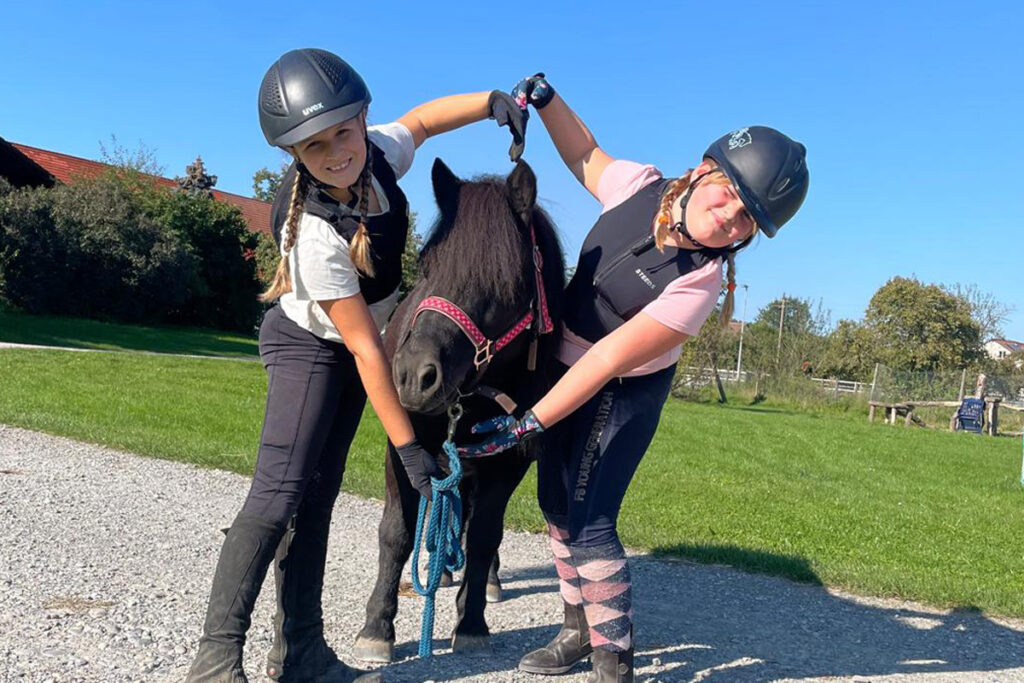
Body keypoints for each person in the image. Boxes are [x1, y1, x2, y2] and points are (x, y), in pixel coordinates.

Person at [185, 48, 527, 683]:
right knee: (277, 495)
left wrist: (489, 103)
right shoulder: (314, 234)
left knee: (317, 502)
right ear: (294, 156)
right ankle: (214, 659)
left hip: (351, 352)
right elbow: (369, 349)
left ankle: (302, 654)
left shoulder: (377, 159)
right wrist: (411, 452)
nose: (335, 152)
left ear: (362, 120)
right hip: (309, 347)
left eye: (343, 132)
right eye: (314, 147)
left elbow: (422, 121)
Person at [460, 74, 809, 683]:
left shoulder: (699, 286)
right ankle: (575, 630)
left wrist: (528, 423)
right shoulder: (640, 186)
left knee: (591, 520)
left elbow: (606, 360)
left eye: (747, 221)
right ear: (703, 171)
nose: (728, 218)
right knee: (553, 504)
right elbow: (585, 155)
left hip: (621, 390)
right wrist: (547, 101)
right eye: (727, 194)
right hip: (565, 368)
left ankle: (613, 659)